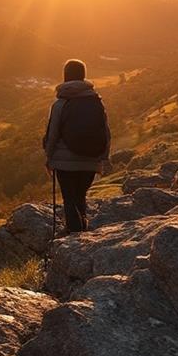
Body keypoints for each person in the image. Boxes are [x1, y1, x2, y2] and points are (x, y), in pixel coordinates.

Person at [42, 59, 111, 234]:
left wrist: (49, 158)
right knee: (80, 196)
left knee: (69, 198)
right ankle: (83, 230)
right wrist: (103, 157)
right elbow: (105, 132)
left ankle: (74, 236)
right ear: (83, 76)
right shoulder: (96, 102)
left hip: (65, 163)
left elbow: (52, 135)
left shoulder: (60, 104)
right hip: (91, 160)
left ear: (65, 76)